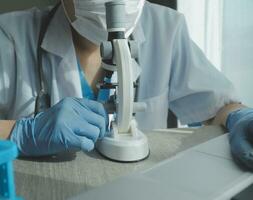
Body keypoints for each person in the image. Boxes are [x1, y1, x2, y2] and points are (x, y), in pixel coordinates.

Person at [0, 0, 252, 170]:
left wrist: (240, 118)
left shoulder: (166, 28)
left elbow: (218, 106)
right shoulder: (11, 35)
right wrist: (20, 133)